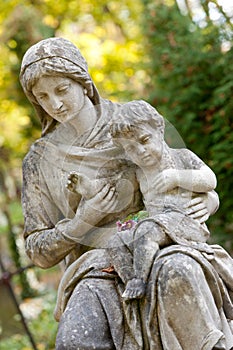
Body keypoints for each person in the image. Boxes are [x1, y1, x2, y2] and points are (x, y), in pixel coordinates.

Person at [20, 37, 233, 350]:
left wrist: (208, 200)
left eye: (61, 89)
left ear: (83, 82)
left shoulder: (127, 124)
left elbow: (178, 168)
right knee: (75, 339)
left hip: (161, 245)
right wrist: (82, 223)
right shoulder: (38, 161)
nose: (54, 104)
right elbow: (37, 250)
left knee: (178, 275)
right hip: (96, 266)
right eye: (43, 97)